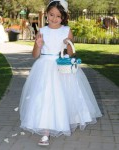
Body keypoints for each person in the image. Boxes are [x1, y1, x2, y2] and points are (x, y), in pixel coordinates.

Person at [19, 0, 102, 146]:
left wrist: (69, 42)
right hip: (44, 67)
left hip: (60, 67)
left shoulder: (66, 30)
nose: (54, 18)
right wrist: (38, 45)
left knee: (63, 95)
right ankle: (45, 132)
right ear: (47, 14)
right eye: (51, 15)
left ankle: (63, 119)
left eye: (58, 16)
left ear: (63, 17)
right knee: (44, 97)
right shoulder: (42, 31)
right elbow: (34, 55)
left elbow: (71, 53)